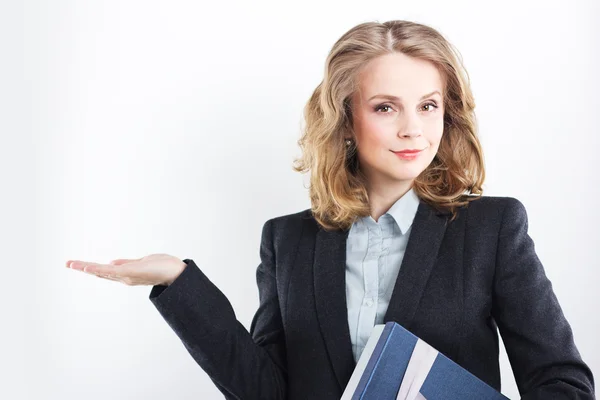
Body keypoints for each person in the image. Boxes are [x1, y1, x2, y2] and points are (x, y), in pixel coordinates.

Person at [65, 20, 595, 399]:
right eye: (386, 107)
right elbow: (265, 390)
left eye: (428, 105)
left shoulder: (492, 228)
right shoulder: (288, 241)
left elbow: (563, 383)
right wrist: (178, 280)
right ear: (345, 120)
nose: (413, 128)